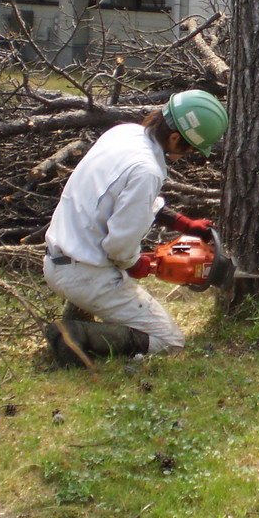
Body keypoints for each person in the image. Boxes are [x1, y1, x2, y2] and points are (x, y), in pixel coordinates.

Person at [42, 89, 228, 368]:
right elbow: (119, 247)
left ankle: (79, 313)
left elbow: (129, 198)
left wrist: (182, 223)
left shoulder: (123, 134)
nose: (188, 155)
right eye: (189, 148)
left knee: (107, 271)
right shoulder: (147, 169)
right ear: (176, 138)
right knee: (169, 341)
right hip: (86, 274)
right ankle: (72, 334)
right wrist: (136, 264)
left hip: (60, 257)